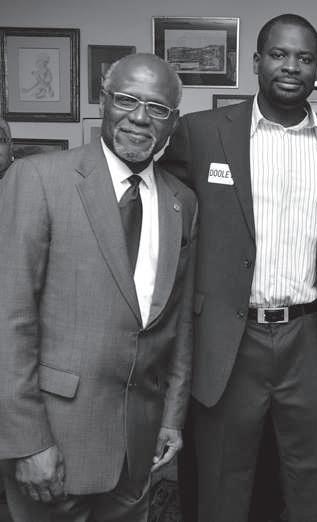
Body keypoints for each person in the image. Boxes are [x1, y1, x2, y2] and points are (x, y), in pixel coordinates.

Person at [159, 13, 317, 522]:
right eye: (279, 54)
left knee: (310, 482)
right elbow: (167, 221)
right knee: (222, 483)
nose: (291, 66)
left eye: (305, 58)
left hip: (309, 338)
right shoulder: (201, 134)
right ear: (256, 61)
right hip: (231, 338)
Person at [0, 53, 197, 521]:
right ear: (104, 102)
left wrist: (171, 417)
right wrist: (27, 442)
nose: (140, 118)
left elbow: (179, 323)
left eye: (157, 108)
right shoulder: (37, 179)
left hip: (138, 447)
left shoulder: (182, 202)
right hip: (55, 442)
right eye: (127, 100)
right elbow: (9, 319)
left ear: (173, 122)